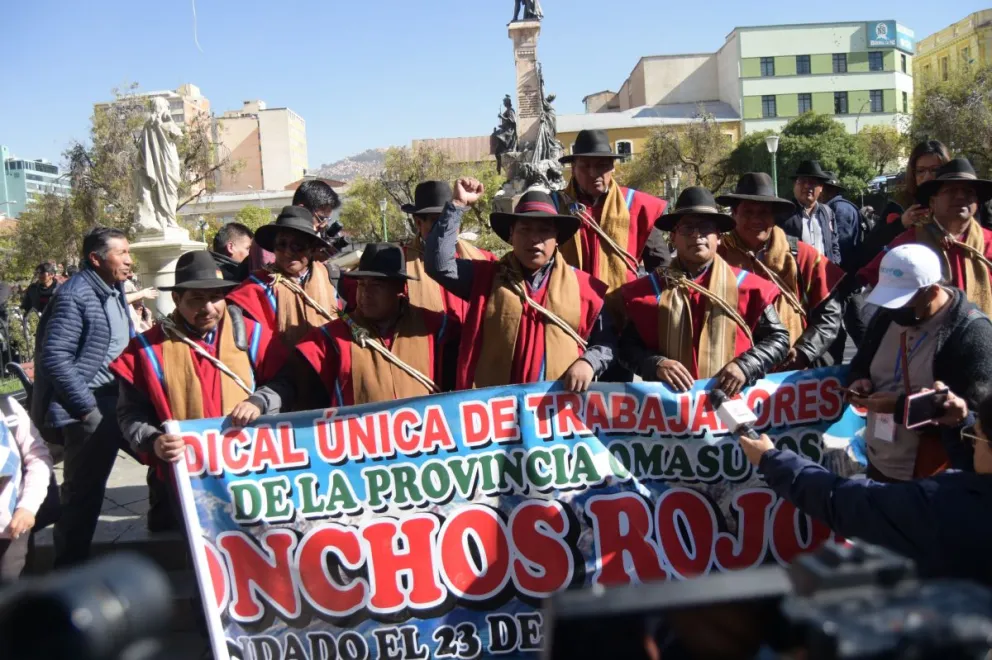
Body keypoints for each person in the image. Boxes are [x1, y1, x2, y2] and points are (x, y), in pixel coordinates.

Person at [737, 384, 992, 584]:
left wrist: (772, 461)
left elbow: (850, 503)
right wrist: (960, 424)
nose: (970, 442)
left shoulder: (944, 506)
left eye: (975, 436)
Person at [112, 251, 290, 530]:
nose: (208, 308)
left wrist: (259, 401)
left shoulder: (253, 336)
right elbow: (130, 414)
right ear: (177, 299)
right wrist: (154, 441)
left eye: (216, 297)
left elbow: (284, 384)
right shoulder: (145, 351)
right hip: (184, 480)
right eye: (196, 298)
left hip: (249, 475)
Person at [425, 179, 615, 392]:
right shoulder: (484, 278)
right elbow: (438, 264)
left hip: (557, 410)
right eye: (524, 230)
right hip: (496, 412)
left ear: (557, 238)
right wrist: (458, 204)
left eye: (544, 231)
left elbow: (606, 343)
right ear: (510, 235)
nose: (534, 239)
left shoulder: (586, 288)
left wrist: (589, 362)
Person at [619, 186, 790, 396]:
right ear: (673, 237)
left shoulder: (748, 287)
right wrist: (655, 365)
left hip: (732, 402)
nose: (697, 235)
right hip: (669, 410)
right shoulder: (647, 292)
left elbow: (779, 339)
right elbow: (626, 347)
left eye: (706, 228)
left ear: (718, 237)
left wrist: (746, 366)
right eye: (687, 228)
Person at [31, 227, 133, 567]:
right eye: (123, 253)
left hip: (120, 399)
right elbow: (55, 357)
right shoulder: (75, 295)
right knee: (83, 495)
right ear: (96, 258)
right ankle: (68, 572)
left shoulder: (113, 289)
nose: (130, 261)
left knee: (163, 463)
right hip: (93, 404)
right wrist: (86, 409)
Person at [848, 243, 992, 482]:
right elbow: (861, 362)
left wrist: (900, 408)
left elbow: (978, 417)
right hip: (880, 462)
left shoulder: (973, 333)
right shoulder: (887, 315)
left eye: (903, 301)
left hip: (934, 476)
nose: (895, 309)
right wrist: (859, 380)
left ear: (933, 292)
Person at [295, 244, 456, 407]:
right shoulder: (333, 336)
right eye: (361, 285)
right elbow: (293, 381)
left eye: (376, 285)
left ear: (399, 287)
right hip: (360, 431)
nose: (365, 294)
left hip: (423, 428)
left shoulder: (432, 327)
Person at [717, 173, 845, 369]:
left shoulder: (802, 256)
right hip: (730, 369)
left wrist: (804, 351)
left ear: (774, 216)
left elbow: (830, 314)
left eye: (763, 213)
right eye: (748, 212)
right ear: (734, 214)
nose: (756, 219)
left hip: (789, 372)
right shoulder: (718, 258)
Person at [859, 158, 992, 317]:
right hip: (923, 337)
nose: (961, 196)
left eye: (969, 192)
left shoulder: (988, 242)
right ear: (932, 202)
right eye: (951, 190)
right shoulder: (909, 244)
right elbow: (870, 290)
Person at [555, 129, 668, 295]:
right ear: (573, 168)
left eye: (601, 165)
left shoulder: (637, 206)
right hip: (570, 307)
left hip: (623, 309)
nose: (593, 173)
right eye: (585, 166)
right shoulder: (554, 207)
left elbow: (661, 266)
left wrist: (642, 302)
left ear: (612, 167)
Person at [227, 206, 342, 347]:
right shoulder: (258, 286)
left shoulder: (332, 278)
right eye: (281, 245)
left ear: (311, 249)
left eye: (297, 246)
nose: (288, 253)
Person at [401, 181, 495, 318]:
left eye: (450, 218)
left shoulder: (484, 258)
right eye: (437, 221)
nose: (445, 225)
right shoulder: (400, 263)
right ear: (418, 222)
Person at [241, 179, 342, 277]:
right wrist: (311, 260)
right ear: (302, 208)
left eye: (327, 220)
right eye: (321, 218)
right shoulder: (273, 236)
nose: (323, 225)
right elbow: (273, 279)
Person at [0, 396, 53, 582]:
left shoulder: (8, 410)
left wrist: (28, 506)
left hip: (11, 531)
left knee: (13, 601)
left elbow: (38, 457)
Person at [778, 160, 842, 264]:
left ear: (821, 188)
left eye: (813, 182)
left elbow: (834, 245)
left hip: (823, 276)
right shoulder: (784, 213)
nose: (807, 186)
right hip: (796, 277)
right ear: (795, 185)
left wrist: (834, 266)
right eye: (802, 181)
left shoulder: (827, 213)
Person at [820, 172, 864, 270]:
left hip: (845, 269)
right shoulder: (834, 207)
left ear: (829, 191)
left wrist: (836, 268)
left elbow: (842, 243)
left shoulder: (840, 209)